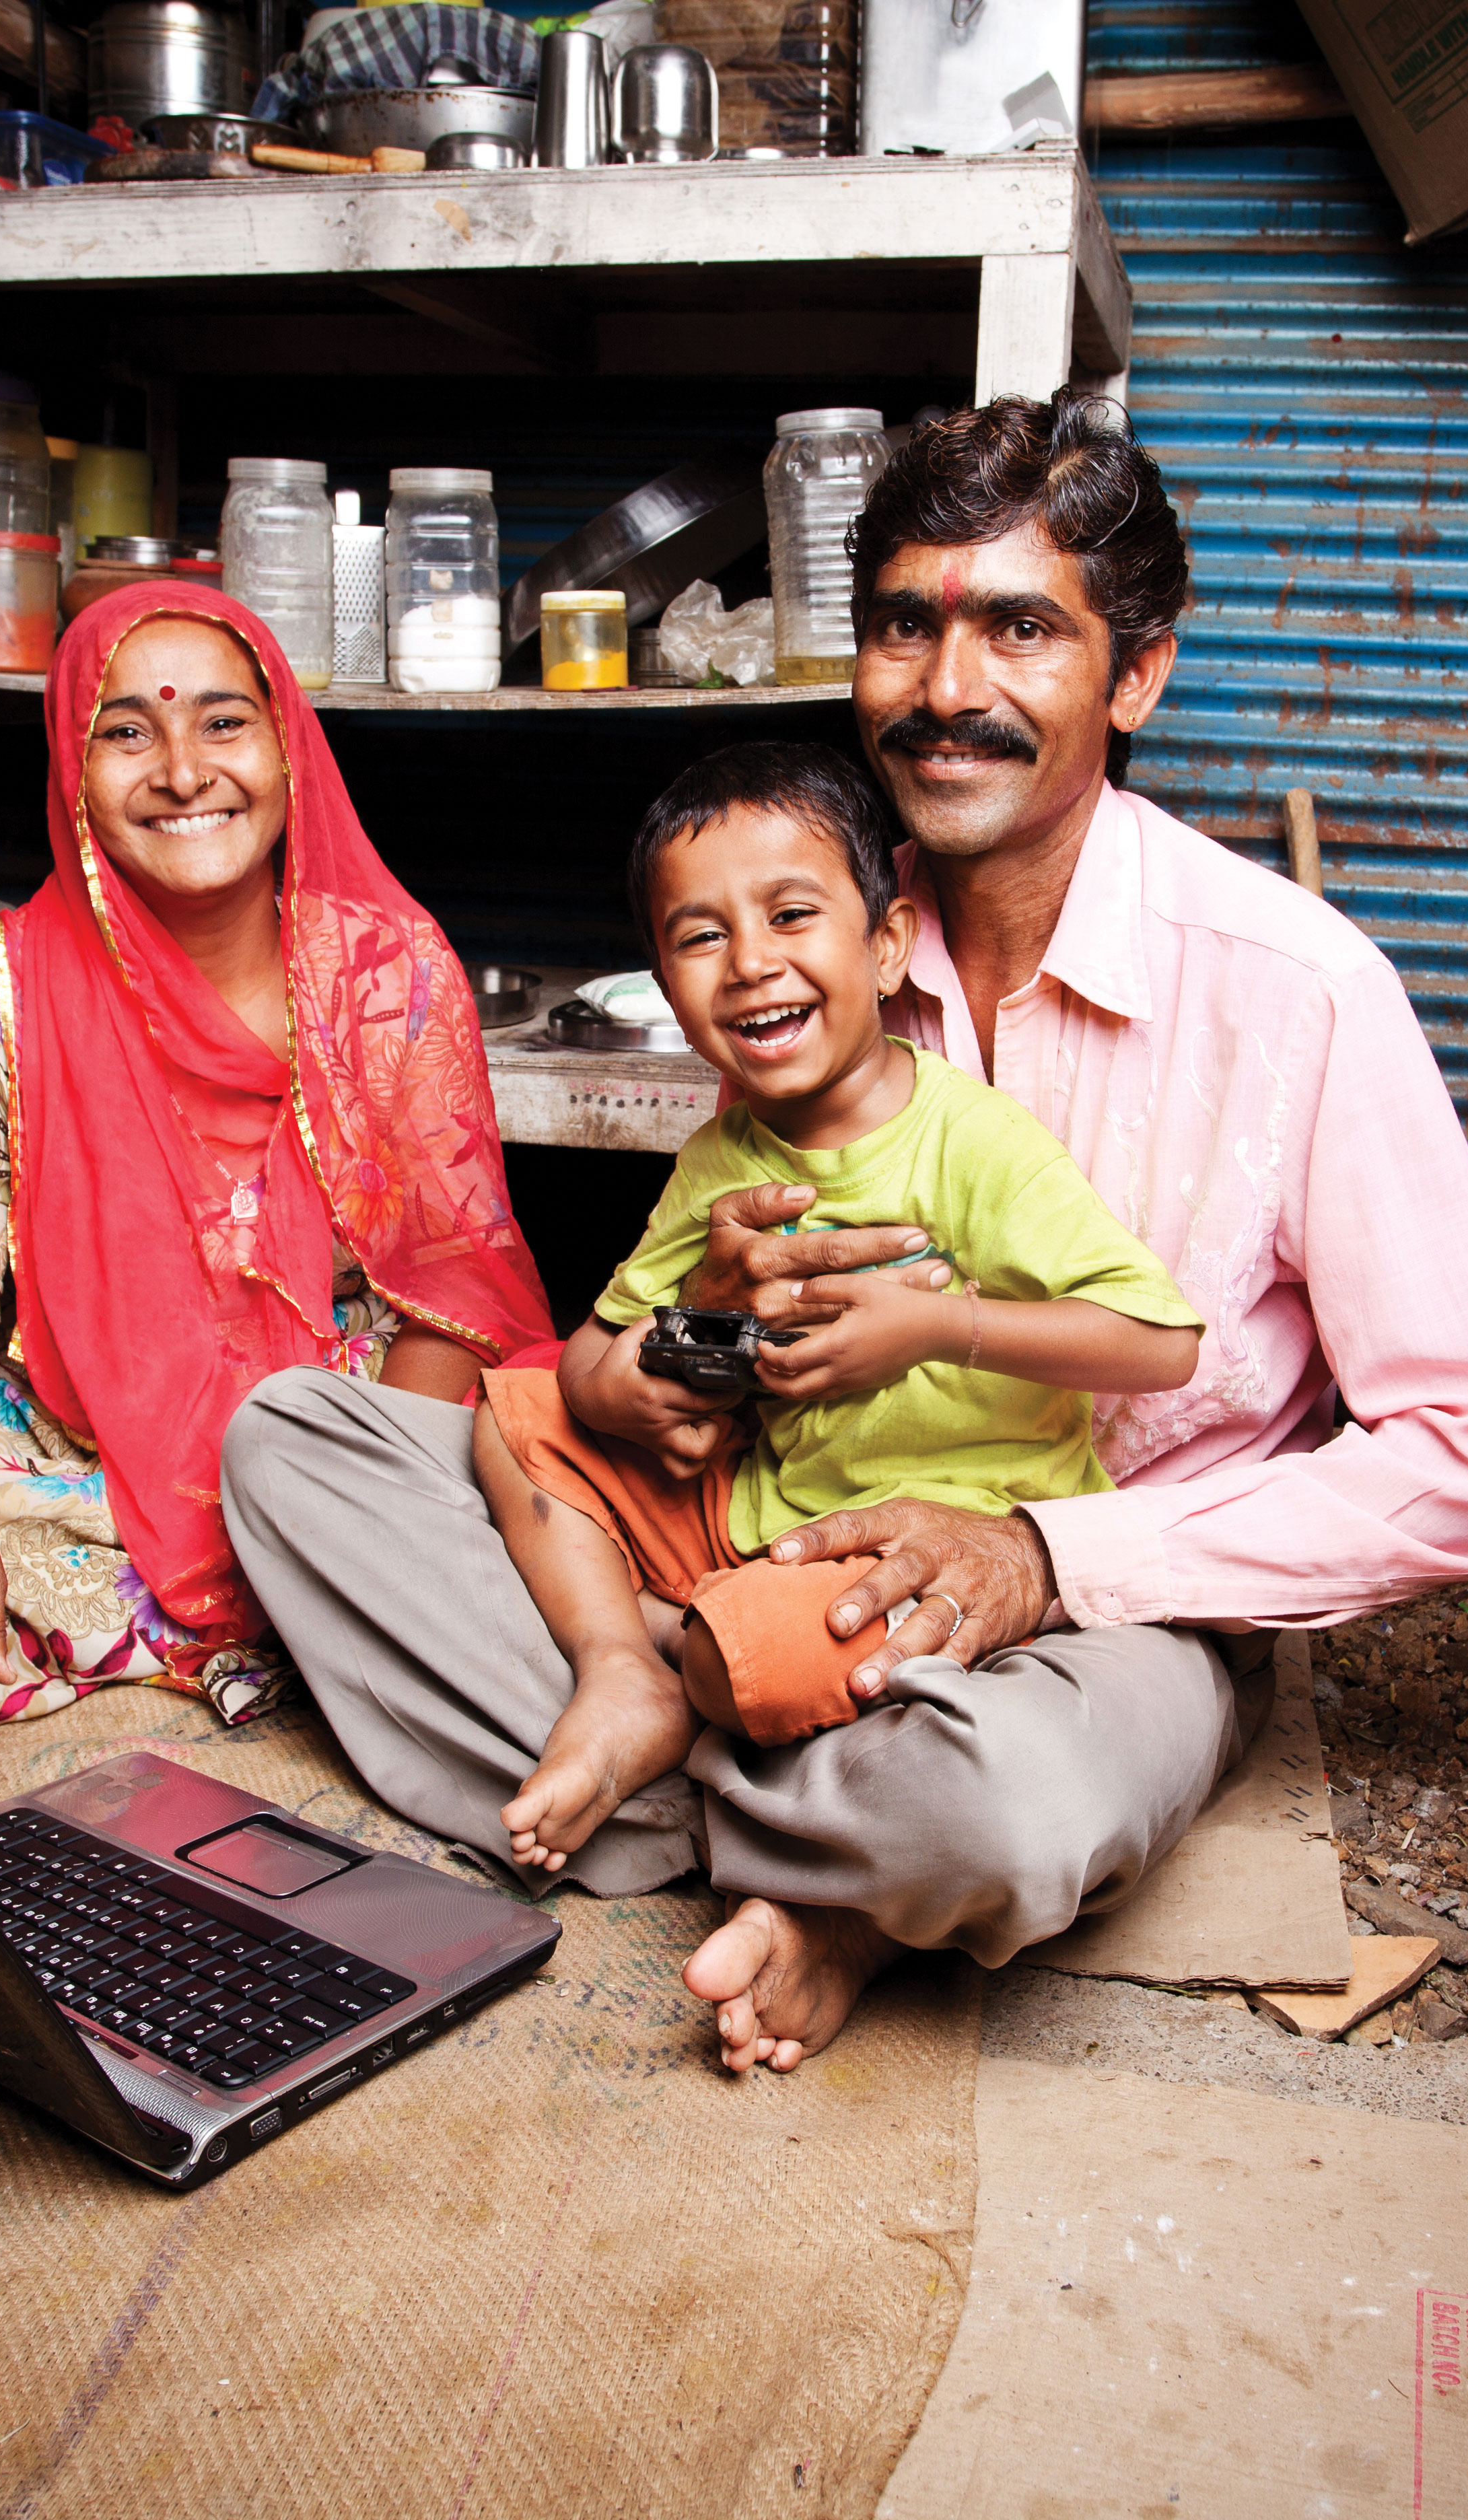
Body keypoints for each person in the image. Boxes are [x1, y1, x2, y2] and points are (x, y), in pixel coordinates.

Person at [223, 396, 1468, 2072]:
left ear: (1133, 677)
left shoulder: (1295, 994)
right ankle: (796, 1814)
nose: (949, 690)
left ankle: (774, 1828)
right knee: (302, 1443)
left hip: (1092, 1627)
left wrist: (1053, 1561)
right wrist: (670, 1358)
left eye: (1020, 628)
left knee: (1014, 1801)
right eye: (904, 628)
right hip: (753, 1528)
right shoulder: (799, 942)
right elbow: (646, 1329)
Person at [0, 583, 550, 1761]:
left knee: (559, 1466)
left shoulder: (385, 975)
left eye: (225, 724)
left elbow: (459, 1286)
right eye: (127, 731)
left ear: (290, 753)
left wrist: (351, 1499)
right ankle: (279, 1641)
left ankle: (233, 1623)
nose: (184, 771)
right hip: (80, 1444)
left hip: (345, 1427)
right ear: (71, 772)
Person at [476, 742, 1202, 1871]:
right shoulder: (722, 1157)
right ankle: (627, 1666)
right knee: (511, 1412)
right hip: (770, 1505)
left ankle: (698, 1672)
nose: (752, 963)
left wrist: (937, 1327)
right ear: (665, 990)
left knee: (736, 1660)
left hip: (941, 1535)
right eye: (702, 937)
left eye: (792, 915)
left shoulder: (970, 1140)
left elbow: (1161, 1343)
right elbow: (589, 1360)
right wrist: (638, 1383)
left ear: (887, 944)